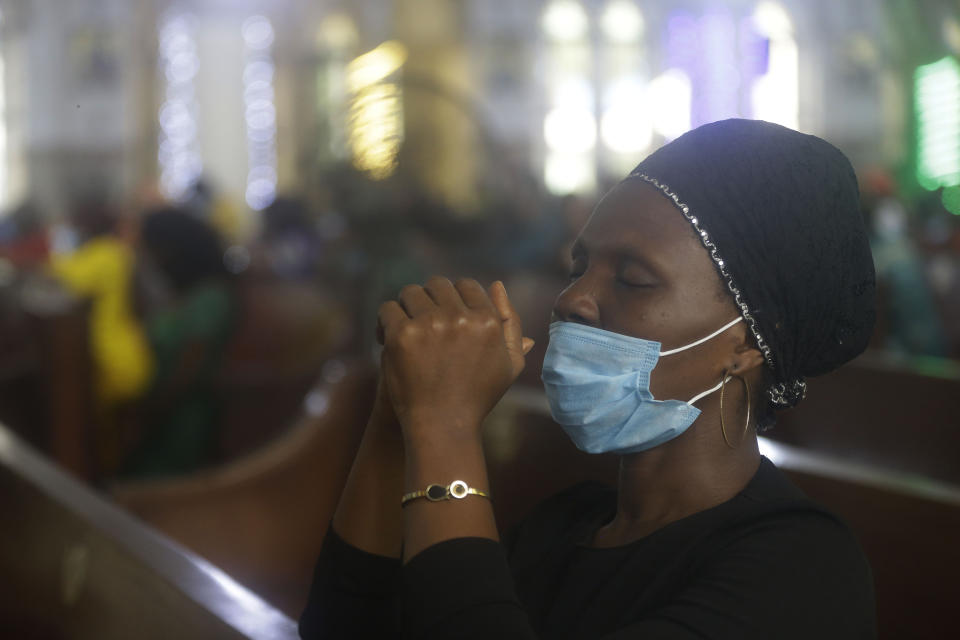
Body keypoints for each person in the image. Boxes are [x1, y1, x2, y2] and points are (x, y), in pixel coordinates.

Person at [299, 119, 878, 639]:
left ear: (749, 341)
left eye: (632, 279)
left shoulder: (800, 565)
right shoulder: (567, 526)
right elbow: (342, 628)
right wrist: (399, 413)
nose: (573, 298)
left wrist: (443, 427)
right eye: (576, 268)